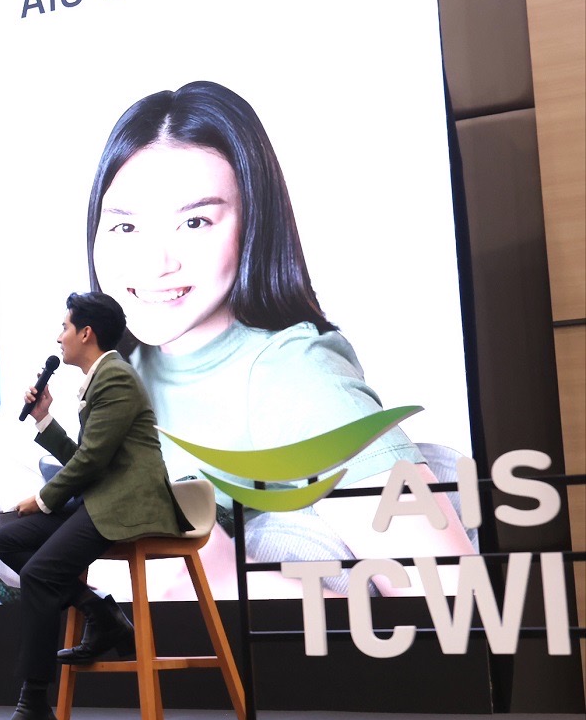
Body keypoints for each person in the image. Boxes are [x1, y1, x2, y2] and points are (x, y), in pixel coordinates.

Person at [84, 81, 473, 597]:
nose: (156, 264)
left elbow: (457, 606)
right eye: (126, 228)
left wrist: (222, 578)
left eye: (195, 222)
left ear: (253, 226)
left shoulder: (293, 377)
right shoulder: (121, 371)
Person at [0, 292, 189, 720]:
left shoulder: (114, 376)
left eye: (65, 327)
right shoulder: (101, 380)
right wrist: (43, 419)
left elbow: (91, 462)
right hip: (103, 497)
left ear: (86, 333)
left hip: (127, 506)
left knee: (39, 574)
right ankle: (101, 613)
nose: (60, 337)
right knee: (9, 539)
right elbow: (87, 458)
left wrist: (42, 499)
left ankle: (34, 709)